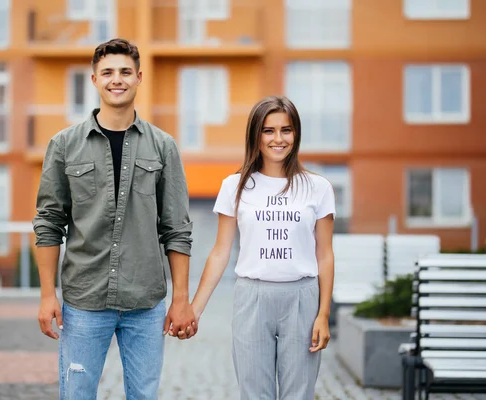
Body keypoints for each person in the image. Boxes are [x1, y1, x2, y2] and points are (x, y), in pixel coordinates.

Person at [32, 38, 197, 400]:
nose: (116, 79)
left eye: (125, 72)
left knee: (143, 396)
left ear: (139, 77)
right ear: (94, 79)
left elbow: (177, 229)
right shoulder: (64, 145)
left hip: (146, 303)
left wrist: (180, 299)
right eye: (107, 72)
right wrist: (47, 295)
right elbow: (48, 223)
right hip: (84, 301)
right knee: (77, 395)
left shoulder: (163, 146)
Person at [190, 96, 335, 399]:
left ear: (296, 134)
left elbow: (325, 254)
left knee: (299, 393)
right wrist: (195, 309)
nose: (278, 139)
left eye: (287, 130)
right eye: (268, 131)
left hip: (302, 299)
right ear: (255, 135)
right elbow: (220, 251)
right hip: (252, 298)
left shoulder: (318, 187)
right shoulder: (236, 186)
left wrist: (323, 314)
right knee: (254, 393)